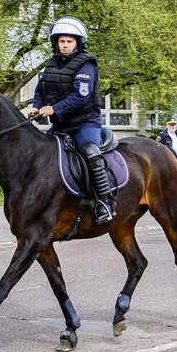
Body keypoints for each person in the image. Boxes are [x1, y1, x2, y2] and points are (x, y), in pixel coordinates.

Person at [30, 16, 115, 223]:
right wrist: (36, 106)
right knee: (38, 153)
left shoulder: (86, 65)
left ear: (78, 42)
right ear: (56, 43)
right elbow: (41, 89)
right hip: (61, 125)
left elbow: (80, 96)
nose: (65, 45)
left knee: (90, 154)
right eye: (61, 41)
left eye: (69, 41)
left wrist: (53, 109)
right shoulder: (51, 64)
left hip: (85, 124)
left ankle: (105, 202)